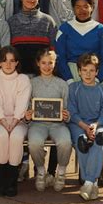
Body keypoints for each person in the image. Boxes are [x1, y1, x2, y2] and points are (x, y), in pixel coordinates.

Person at [24, 49, 71, 192]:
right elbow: (27, 106)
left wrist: (66, 115)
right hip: (38, 124)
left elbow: (67, 108)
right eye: (43, 63)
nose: (47, 66)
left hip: (58, 124)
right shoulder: (31, 83)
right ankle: (41, 171)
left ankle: (61, 173)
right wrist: (27, 115)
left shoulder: (62, 84)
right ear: (38, 63)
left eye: (50, 63)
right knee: (34, 142)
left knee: (65, 142)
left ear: (55, 63)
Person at [0, 46, 31, 197]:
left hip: (18, 120)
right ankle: (1, 179)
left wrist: (14, 121)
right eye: (4, 61)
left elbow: (22, 103)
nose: (8, 64)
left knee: (16, 137)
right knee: (1, 137)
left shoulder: (23, 79)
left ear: (17, 63)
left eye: (12, 61)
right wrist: (2, 120)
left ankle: (12, 181)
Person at [68, 53, 103, 201]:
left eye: (92, 70)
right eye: (84, 70)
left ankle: (88, 182)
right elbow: (72, 112)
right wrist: (85, 127)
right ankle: (92, 182)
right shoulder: (73, 88)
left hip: (97, 124)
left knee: (101, 138)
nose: (88, 74)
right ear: (79, 71)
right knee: (81, 140)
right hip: (79, 124)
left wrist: (95, 125)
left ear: (97, 72)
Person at [55, 0, 103, 85]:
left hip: (95, 75)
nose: (82, 10)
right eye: (78, 7)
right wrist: (69, 80)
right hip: (71, 75)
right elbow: (60, 57)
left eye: (86, 6)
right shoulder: (64, 29)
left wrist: (97, 79)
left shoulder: (101, 30)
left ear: (92, 8)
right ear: (73, 8)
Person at [8, 0, 56, 76]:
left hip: (42, 76)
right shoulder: (11, 22)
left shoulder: (48, 21)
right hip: (18, 77)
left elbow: (53, 51)